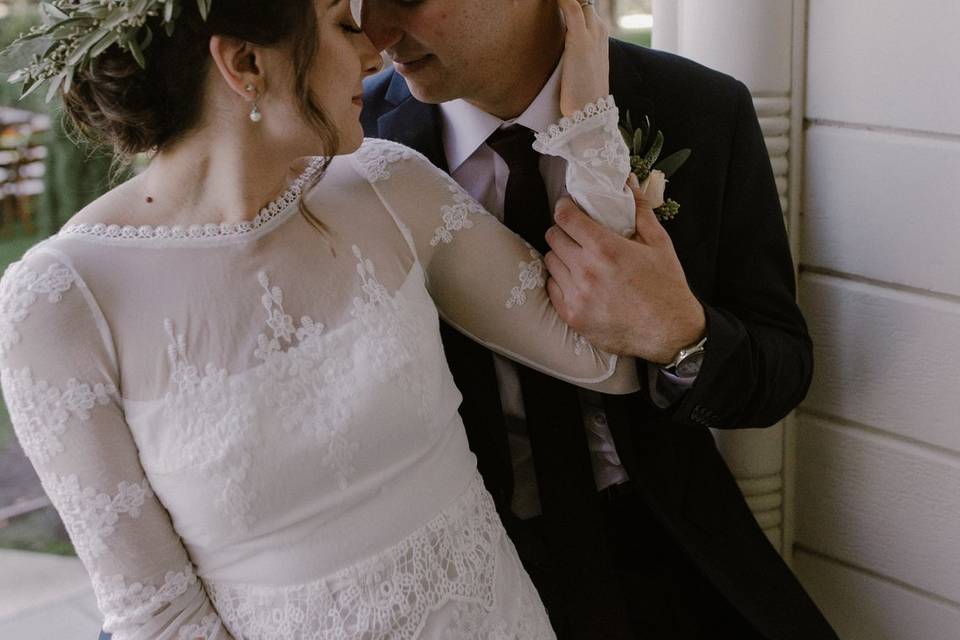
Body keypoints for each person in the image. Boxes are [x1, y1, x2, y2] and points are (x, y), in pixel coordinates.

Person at [0, 0, 647, 638]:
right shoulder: (62, 306)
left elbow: (602, 357)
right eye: (343, 26)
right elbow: (159, 619)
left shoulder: (390, 188)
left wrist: (587, 120)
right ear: (246, 63)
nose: (375, 52)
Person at [360, 0, 839, 638]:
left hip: (670, 547)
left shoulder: (700, 107)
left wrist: (681, 335)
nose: (378, 31)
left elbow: (782, 369)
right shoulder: (350, 139)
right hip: (472, 578)